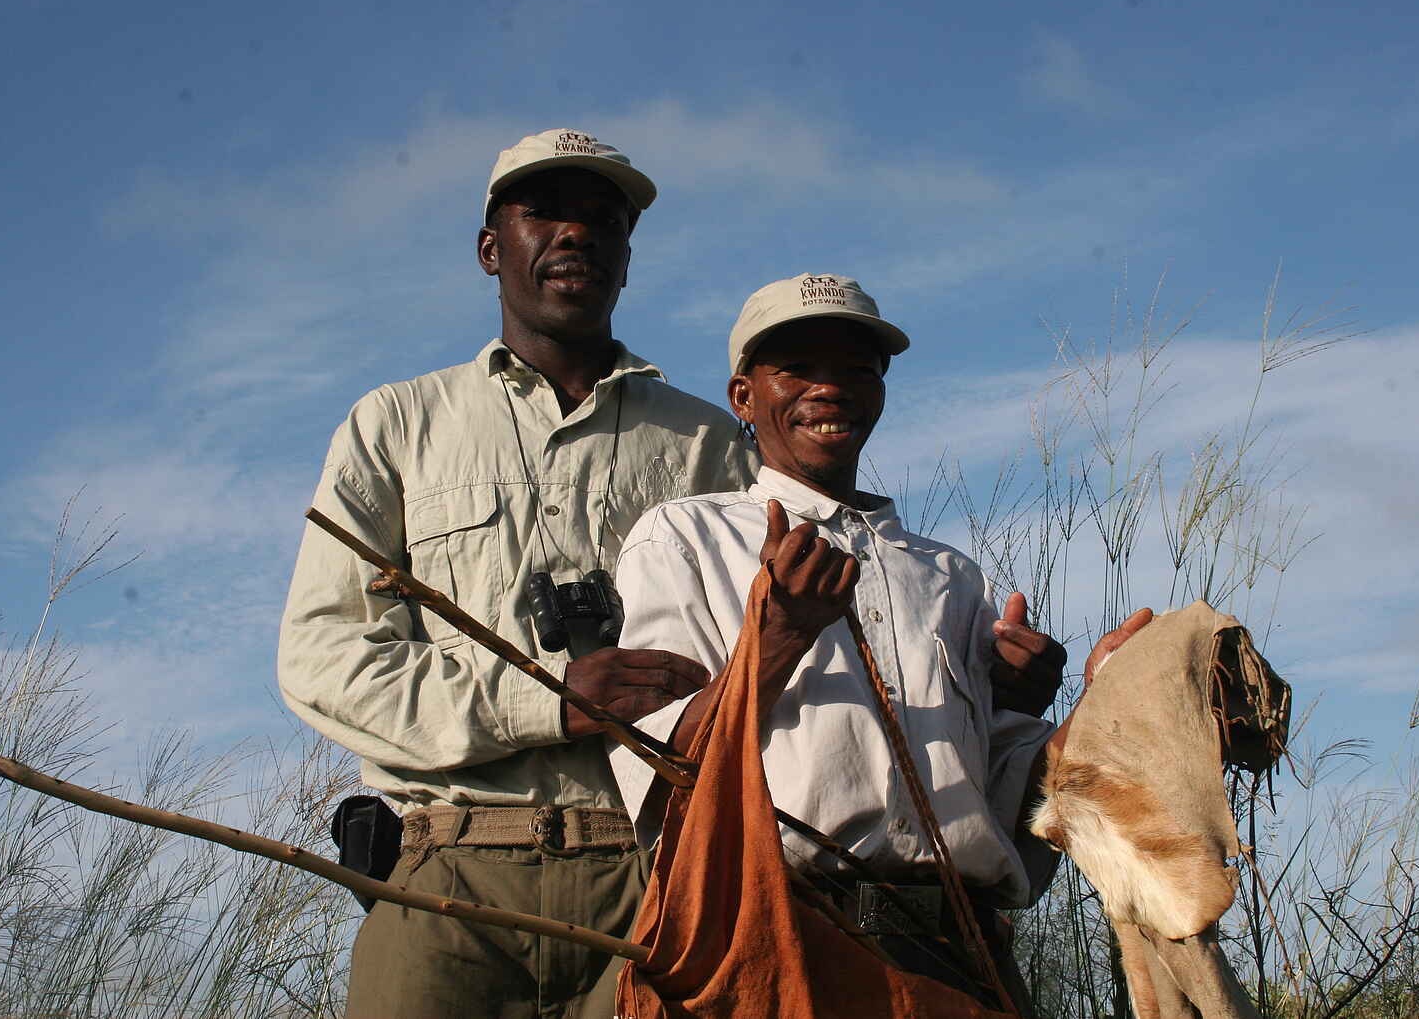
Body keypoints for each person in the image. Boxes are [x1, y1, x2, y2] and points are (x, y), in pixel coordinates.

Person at [277, 129, 759, 1019]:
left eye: (603, 219)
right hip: (447, 875)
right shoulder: (396, 425)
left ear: (627, 256)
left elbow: (765, 659)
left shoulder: (712, 444)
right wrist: (547, 700)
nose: (575, 233)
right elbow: (323, 657)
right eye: (544, 213)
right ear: (490, 250)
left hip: (657, 876)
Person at [607, 273, 1151, 1006]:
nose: (830, 388)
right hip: (787, 945)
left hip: (962, 957)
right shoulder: (685, 538)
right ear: (743, 397)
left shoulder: (949, 575)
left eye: (857, 369)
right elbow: (662, 770)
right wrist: (778, 638)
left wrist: (1112, 697)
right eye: (798, 367)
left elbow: (1003, 801)